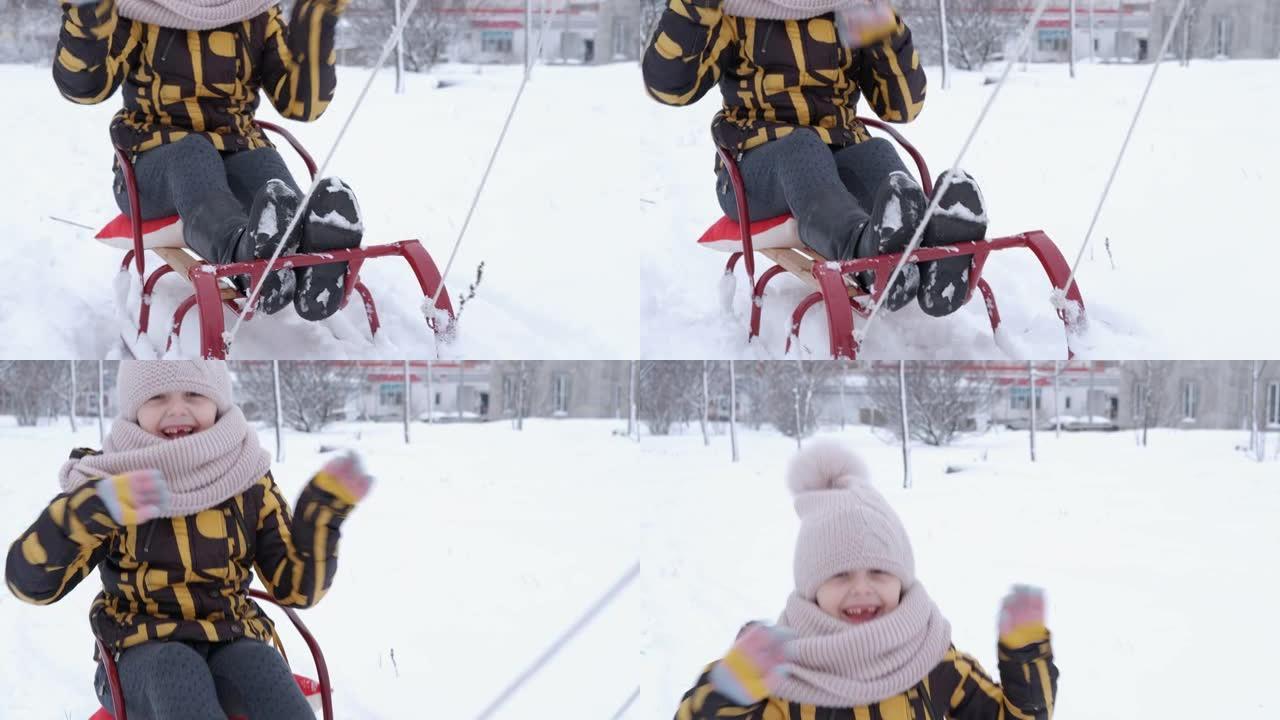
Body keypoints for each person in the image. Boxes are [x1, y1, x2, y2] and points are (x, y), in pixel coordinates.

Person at [5, 360, 373, 719]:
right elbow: (32, 585)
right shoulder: (113, 481)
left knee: (263, 665)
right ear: (134, 409)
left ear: (218, 402)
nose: (177, 409)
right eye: (157, 397)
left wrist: (320, 518)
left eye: (195, 393)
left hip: (231, 637)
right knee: (176, 669)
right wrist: (88, 511)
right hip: (137, 653)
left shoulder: (245, 478)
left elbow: (296, 589)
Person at [643, 0, 987, 316]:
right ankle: (865, 253)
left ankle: (933, 251)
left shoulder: (847, 9)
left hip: (838, 150)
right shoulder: (738, 10)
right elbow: (670, 86)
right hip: (753, 169)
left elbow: (902, 105)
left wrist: (880, 17)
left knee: (876, 151)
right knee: (801, 147)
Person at [675, 440, 1058, 718]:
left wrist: (1024, 654)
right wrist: (730, 688)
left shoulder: (931, 658)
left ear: (902, 579)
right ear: (811, 587)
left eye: (879, 571)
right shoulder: (782, 674)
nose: (862, 588)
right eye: (840, 575)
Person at [54, 0, 364, 320]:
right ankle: (245, 255)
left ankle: (312, 250)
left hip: (237, 145)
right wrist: (87, 13)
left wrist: (315, 20)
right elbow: (84, 88)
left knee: (264, 169)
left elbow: (302, 104)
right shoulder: (137, 11)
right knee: (193, 151)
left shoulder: (255, 13)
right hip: (152, 164)